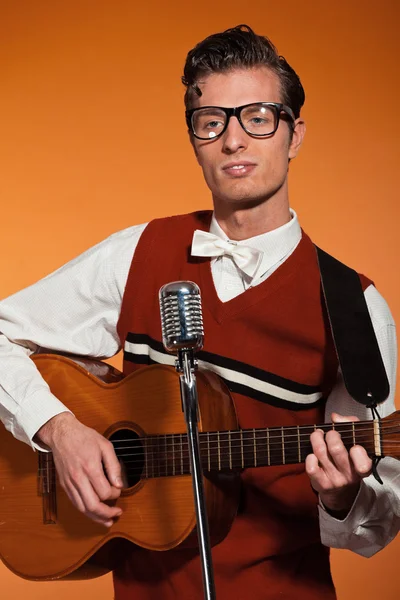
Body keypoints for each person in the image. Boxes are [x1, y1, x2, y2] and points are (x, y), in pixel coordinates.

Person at [0, 24, 399, 600]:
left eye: (258, 117)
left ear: (294, 134)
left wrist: (342, 496)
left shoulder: (357, 307)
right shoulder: (139, 252)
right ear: (195, 140)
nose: (233, 141)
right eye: (211, 122)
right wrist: (58, 430)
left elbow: (376, 525)